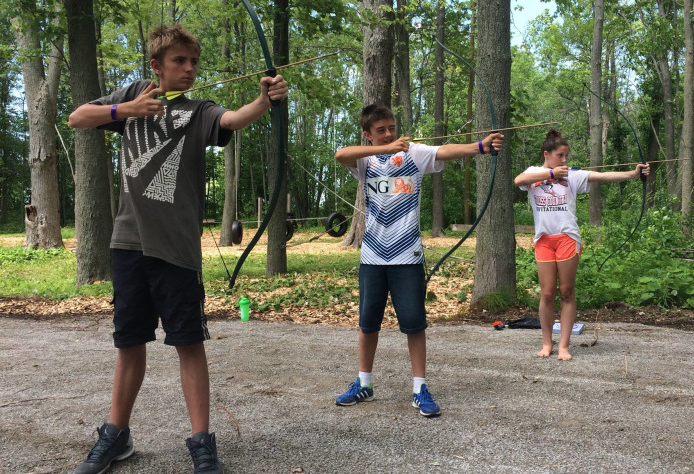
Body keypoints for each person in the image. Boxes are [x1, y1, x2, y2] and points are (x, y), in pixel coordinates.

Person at [68, 24, 288, 474]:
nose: (189, 69)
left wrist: (265, 100)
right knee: (130, 343)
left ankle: (202, 444)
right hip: (128, 243)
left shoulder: (199, 110)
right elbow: (76, 118)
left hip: (177, 251)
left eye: (193, 62)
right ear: (157, 66)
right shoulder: (135, 94)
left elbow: (231, 119)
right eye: (179, 62)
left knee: (188, 343)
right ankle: (117, 436)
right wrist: (127, 108)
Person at [333, 104, 504, 417]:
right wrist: (384, 147)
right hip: (372, 256)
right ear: (368, 135)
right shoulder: (365, 160)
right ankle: (364, 383)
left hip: (407, 256)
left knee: (414, 323)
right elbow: (340, 154)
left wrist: (481, 146)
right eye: (381, 130)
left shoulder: (412, 154)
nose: (389, 133)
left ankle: (420, 388)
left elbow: (446, 150)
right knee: (368, 323)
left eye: (391, 128)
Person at [514, 129, 649, 361]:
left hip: (567, 238)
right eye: (560, 155)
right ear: (547, 154)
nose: (565, 160)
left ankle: (564, 346)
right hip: (544, 240)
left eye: (566, 156)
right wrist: (550, 174)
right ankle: (547, 344)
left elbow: (603, 176)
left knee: (566, 292)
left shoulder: (571, 175)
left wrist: (633, 175)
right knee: (546, 294)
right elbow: (518, 181)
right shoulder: (533, 173)